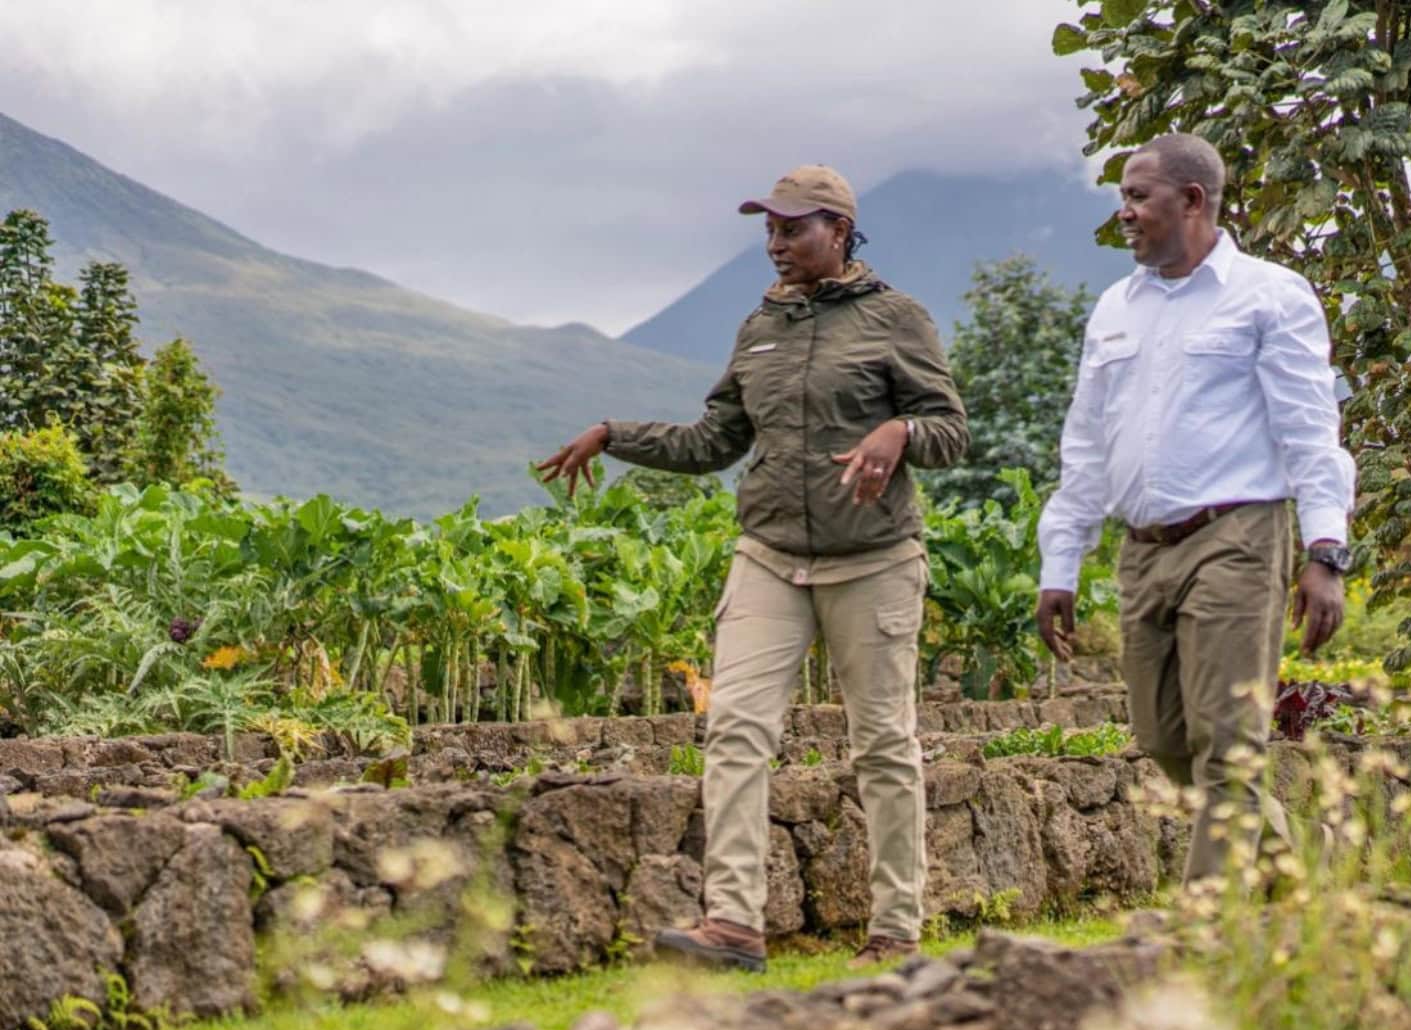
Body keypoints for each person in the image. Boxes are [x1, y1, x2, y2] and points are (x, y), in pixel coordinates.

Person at [539, 165, 969, 971]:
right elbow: (715, 443)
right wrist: (614, 433)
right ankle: (732, 923)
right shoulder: (757, 330)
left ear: (839, 232)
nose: (775, 243)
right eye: (769, 229)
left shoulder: (896, 319)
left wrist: (899, 436)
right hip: (770, 555)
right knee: (735, 728)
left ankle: (895, 931)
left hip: (872, 559)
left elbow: (950, 428)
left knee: (882, 743)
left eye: (793, 228)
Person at [1034, 133, 1356, 884]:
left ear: (1192, 201)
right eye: (1122, 196)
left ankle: (1203, 931)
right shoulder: (1116, 306)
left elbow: (1311, 432)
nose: (1125, 212)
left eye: (1138, 196)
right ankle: (1292, 873)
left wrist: (1324, 552)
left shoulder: (1270, 295)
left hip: (1237, 536)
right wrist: (1063, 563)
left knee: (1227, 742)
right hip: (1143, 547)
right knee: (1163, 739)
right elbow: (1085, 443)